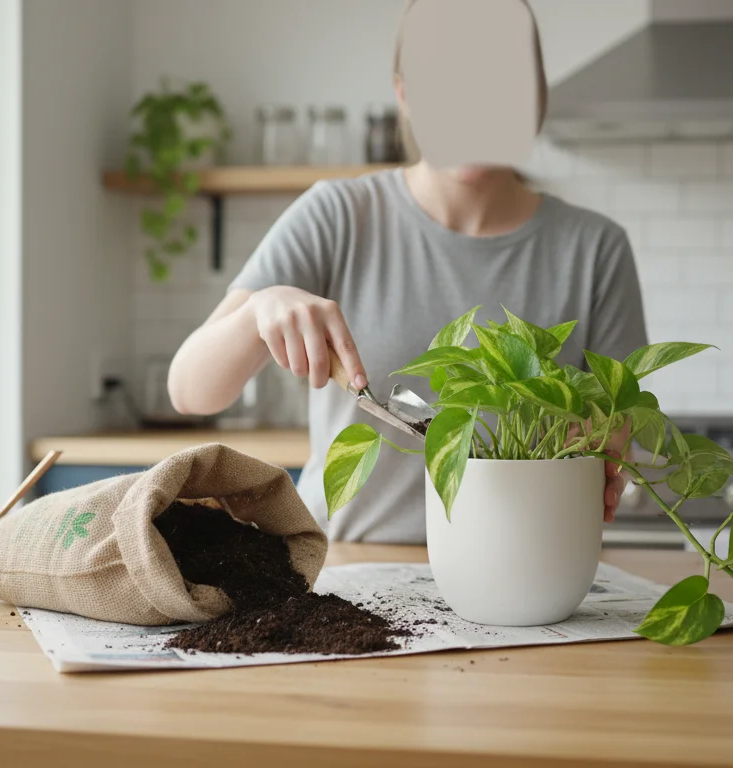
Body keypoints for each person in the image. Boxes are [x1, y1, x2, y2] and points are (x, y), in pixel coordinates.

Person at [169, 0, 648, 544]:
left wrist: (609, 442)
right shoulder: (338, 215)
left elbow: (620, 425)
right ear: (405, 92)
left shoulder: (595, 248)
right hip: (348, 578)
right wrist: (258, 310)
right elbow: (189, 391)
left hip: (523, 568)